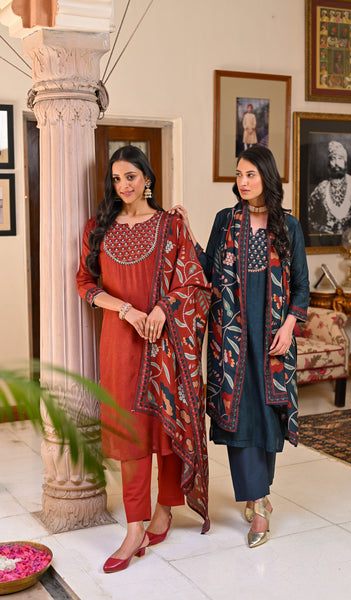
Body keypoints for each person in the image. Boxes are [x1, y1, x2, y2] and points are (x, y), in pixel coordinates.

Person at [76, 145, 210, 573]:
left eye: (130, 176)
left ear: (147, 178)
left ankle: (164, 510)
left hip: (165, 341)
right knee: (131, 434)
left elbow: (194, 281)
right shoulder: (97, 228)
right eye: (116, 179)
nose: (123, 185)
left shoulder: (170, 225)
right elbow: (85, 283)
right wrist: (127, 310)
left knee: (166, 426)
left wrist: (163, 309)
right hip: (120, 343)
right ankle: (134, 528)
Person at [172, 145, 309, 549]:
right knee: (238, 418)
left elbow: (301, 286)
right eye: (239, 174)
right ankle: (260, 504)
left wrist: (289, 327)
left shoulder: (288, 226)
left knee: (267, 416)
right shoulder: (226, 221)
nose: (243, 182)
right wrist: (189, 233)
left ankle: (257, 491)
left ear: (267, 177)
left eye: (250, 174)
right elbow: (207, 271)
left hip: (272, 341)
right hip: (229, 340)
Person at [308, 140, 351, 234]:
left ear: (345, 162)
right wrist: (321, 229)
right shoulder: (322, 188)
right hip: (328, 241)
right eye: (333, 159)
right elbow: (309, 219)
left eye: (340, 158)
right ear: (329, 163)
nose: (336, 163)